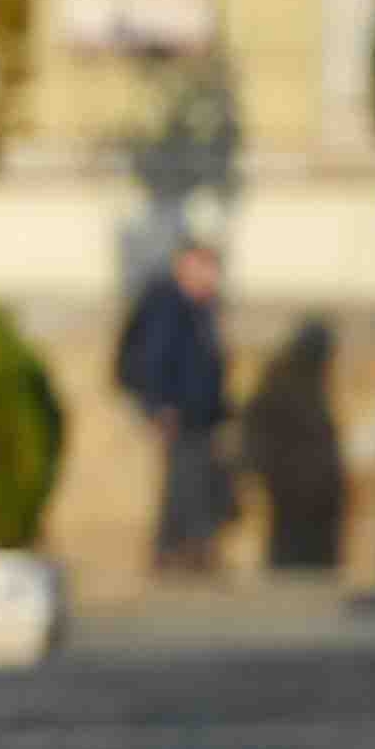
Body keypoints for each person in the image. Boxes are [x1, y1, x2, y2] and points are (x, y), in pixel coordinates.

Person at [118, 241, 234, 579]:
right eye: (205, 268)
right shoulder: (168, 305)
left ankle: (189, 548)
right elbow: (156, 358)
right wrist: (160, 405)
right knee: (182, 480)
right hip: (178, 409)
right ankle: (177, 550)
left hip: (200, 410)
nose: (211, 277)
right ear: (185, 267)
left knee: (195, 479)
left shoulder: (202, 306)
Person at [236, 317, 346, 575]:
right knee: (292, 548)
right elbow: (258, 425)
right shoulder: (283, 378)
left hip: (311, 484)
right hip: (292, 481)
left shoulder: (305, 378)